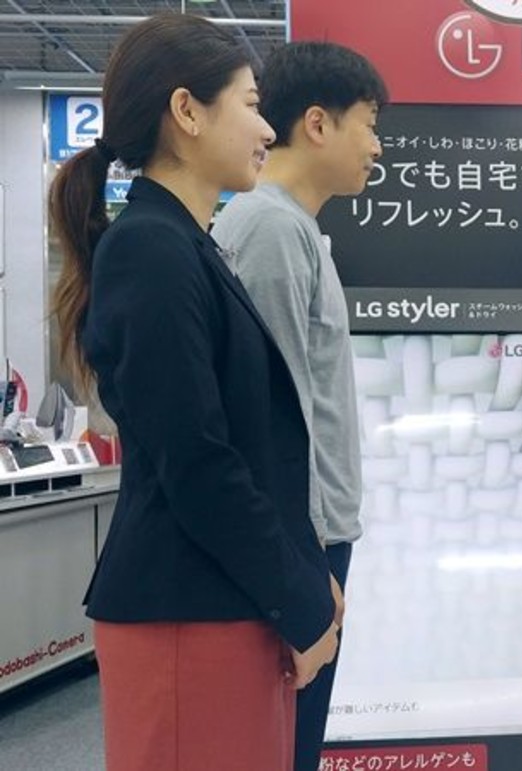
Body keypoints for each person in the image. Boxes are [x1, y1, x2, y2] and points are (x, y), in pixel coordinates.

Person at [48, 15, 340, 771]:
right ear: (187, 111)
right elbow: (196, 458)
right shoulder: (151, 249)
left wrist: (302, 577)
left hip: (222, 601)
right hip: (189, 610)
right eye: (251, 104)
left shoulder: (184, 243)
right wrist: (300, 596)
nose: (267, 130)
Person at [210, 41, 386, 771]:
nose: (377, 147)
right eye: (368, 124)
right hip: (300, 544)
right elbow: (263, 421)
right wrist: (302, 565)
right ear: (318, 123)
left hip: (310, 539)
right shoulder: (271, 230)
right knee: (281, 747)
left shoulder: (288, 228)